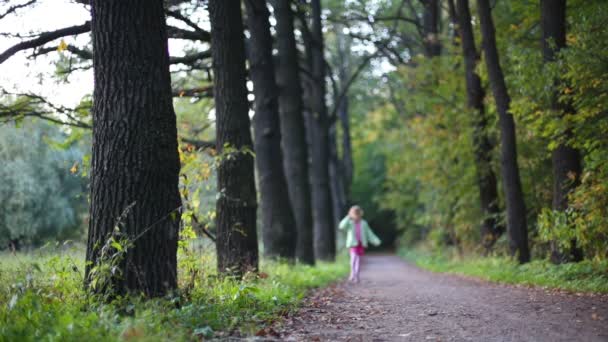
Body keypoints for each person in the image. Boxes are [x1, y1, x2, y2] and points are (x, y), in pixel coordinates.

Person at [339, 205, 381, 283]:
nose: (356, 216)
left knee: (358, 259)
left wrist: (375, 240)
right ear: (352, 215)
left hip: (360, 244)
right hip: (352, 244)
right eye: (354, 214)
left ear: (360, 214)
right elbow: (341, 226)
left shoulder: (363, 223)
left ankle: (356, 275)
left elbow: (369, 233)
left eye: (358, 214)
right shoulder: (350, 223)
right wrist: (348, 217)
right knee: (353, 259)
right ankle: (352, 273)